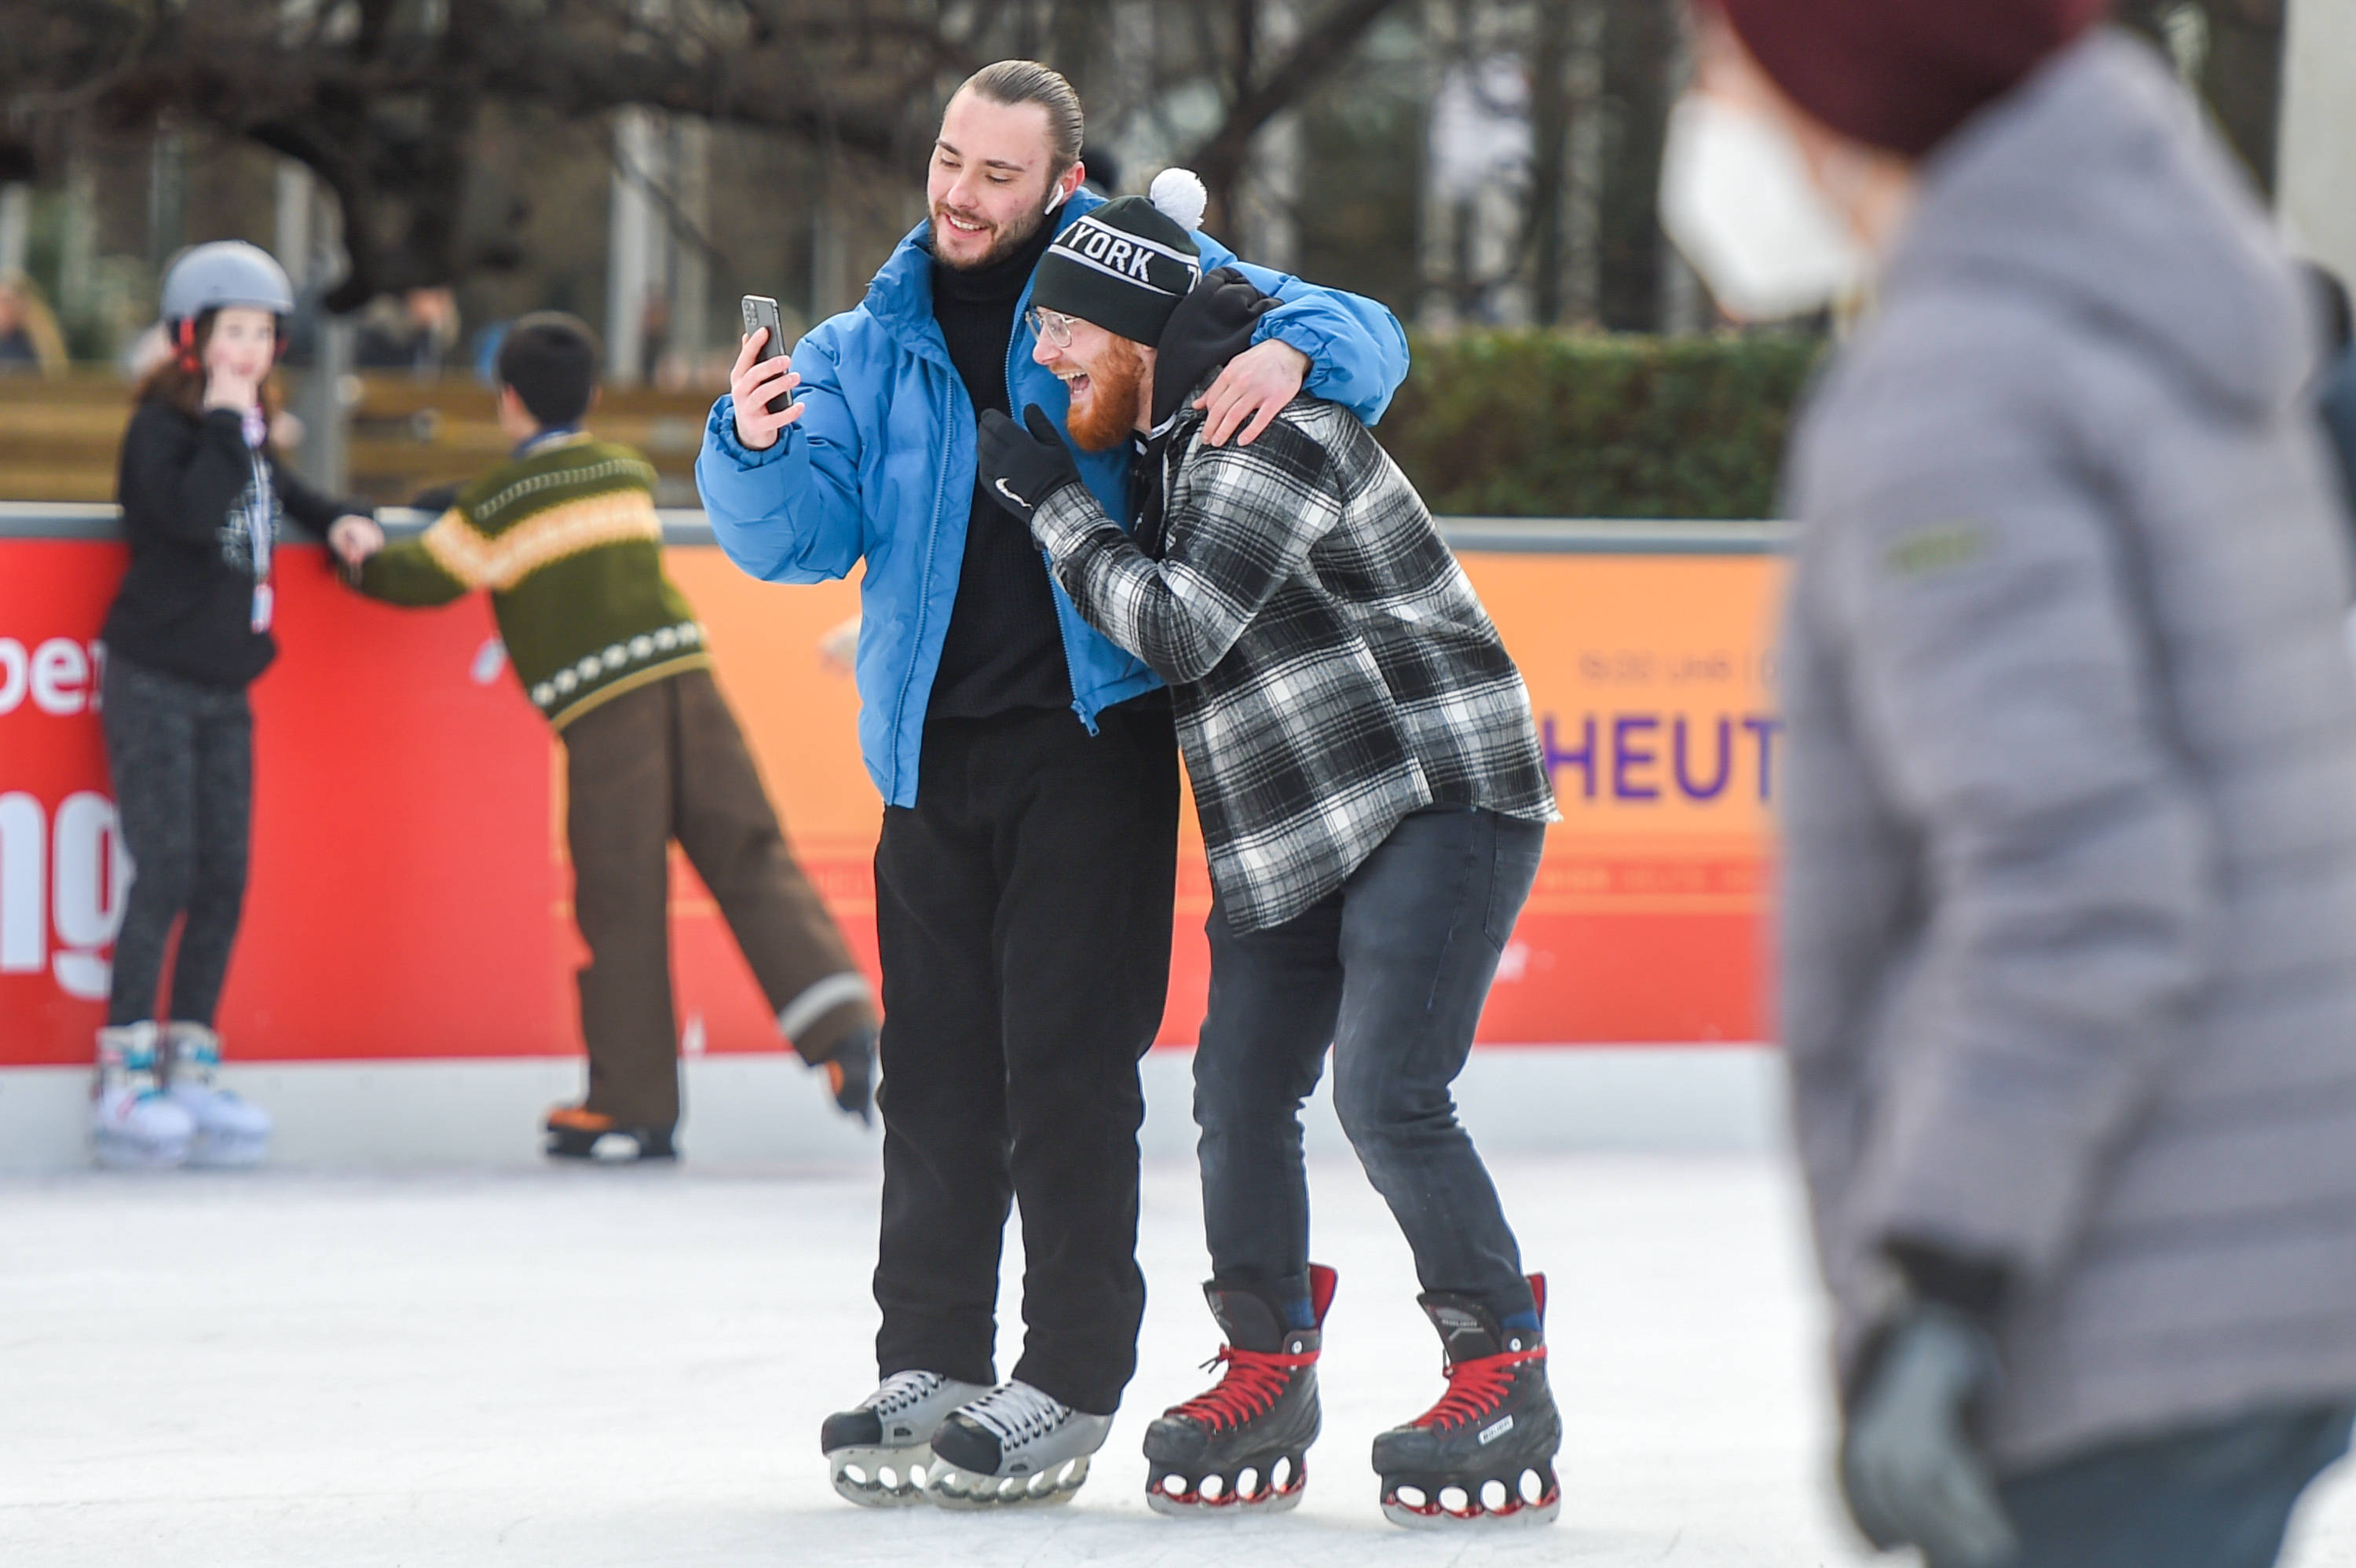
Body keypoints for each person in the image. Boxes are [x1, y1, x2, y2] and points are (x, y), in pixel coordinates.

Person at [1659, 5, 2356, 1566]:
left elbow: (2080, 874)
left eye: (1718, 68)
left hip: (2114, 1271)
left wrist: (1944, 1274)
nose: (1705, 117)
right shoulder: (2158, 308)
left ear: (1837, 81)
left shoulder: (1958, 385)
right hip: (2269, 1234)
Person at [694, 60, 1408, 1508]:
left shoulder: (1129, 271)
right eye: (951, 160)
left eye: (997, 174)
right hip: (925, 752)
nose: (961, 192)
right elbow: (798, 540)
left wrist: (1295, 355)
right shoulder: (860, 340)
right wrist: (753, 444)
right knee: (938, 1079)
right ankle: (933, 1361)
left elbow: (1367, 332)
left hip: (1092, 741)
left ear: (1062, 184)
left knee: (1069, 1079)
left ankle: (1070, 1377)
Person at [973, 172, 1560, 1529]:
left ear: (1130, 334)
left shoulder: (1263, 428)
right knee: (1236, 1095)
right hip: (1292, 825)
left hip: (1431, 787)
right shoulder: (1182, 440)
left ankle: (1502, 1367)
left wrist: (1058, 507)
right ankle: (1266, 1363)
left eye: (1066, 331)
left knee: (1389, 1093)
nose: (1047, 355)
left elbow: (1182, 627)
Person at [340, 313, 877, 1161]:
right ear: (591, 395)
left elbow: (427, 572)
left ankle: (633, 1101)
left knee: (620, 895)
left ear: (507, 399)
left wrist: (360, 551)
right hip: (690, 682)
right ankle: (843, 1028)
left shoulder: (505, 501)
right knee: (750, 854)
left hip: (606, 714)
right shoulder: (620, 471)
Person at [95, 241, 379, 1170]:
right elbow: (183, 515)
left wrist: (334, 512)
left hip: (225, 687)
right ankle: (125, 1074)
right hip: (154, 678)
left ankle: (192, 1063)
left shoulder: (247, 432)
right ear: (192, 339)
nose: (250, 351)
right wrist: (226, 421)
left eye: (263, 333)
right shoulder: (164, 433)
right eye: (232, 333)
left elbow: (277, 491)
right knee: (166, 869)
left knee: (225, 874)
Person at [0, 270, 68, 375]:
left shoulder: (36, 343)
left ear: (23, 304)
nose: (2, 307)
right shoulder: (6, 341)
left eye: (6, 301)